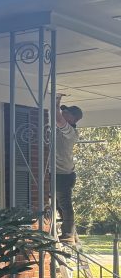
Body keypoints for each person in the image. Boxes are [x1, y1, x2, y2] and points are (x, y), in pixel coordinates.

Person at [55, 97, 82, 242]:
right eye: (63, 111)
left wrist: (56, 104)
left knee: (64, 203)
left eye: (66, 113)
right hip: (59, 172)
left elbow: (58, 119)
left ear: (73, 119)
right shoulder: (60, 129)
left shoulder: (70, 132)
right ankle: (68, 231)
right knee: (59, 204)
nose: (63, 113)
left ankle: (68, 234)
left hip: (63, 174)